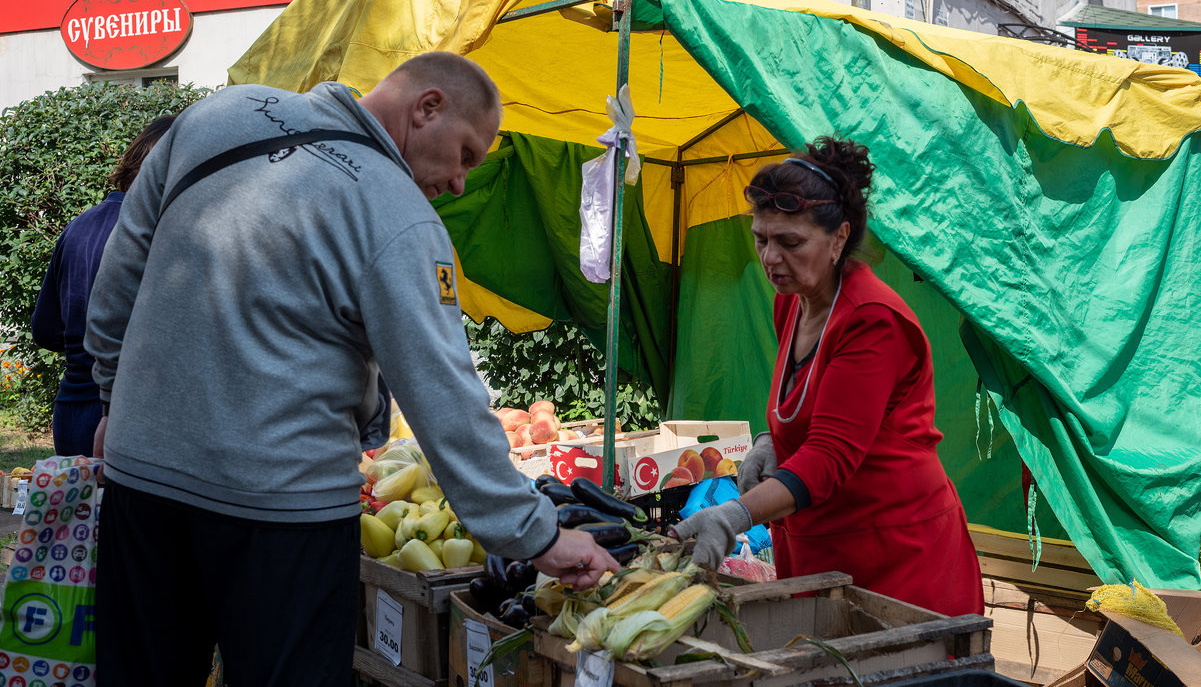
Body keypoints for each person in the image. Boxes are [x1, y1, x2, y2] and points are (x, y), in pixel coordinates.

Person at [84, 52, 620, 686]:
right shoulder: (399, 218)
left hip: (142, 489)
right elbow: (444, 395)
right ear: (428, 107)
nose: (459, 183)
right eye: (467, 154)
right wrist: (536, 537)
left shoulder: (218, 116)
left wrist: (118, 403)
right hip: (284, 519)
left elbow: (118, 283)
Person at [672, 137, 984, 617]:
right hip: (822, 549)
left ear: (839, 238)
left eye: (790, 242)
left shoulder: (873, 319)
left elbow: (832, 453)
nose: (771, 258)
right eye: (762, 239)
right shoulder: (792, 301)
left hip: (896, 558)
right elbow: (811, 402)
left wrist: (737, 514)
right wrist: (771, 441)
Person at [31, 115, 176, 455]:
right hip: (129, 414)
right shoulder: (159, 233)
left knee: (79, 510)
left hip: (72, 409)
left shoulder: (77, 227)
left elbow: (45, 330)